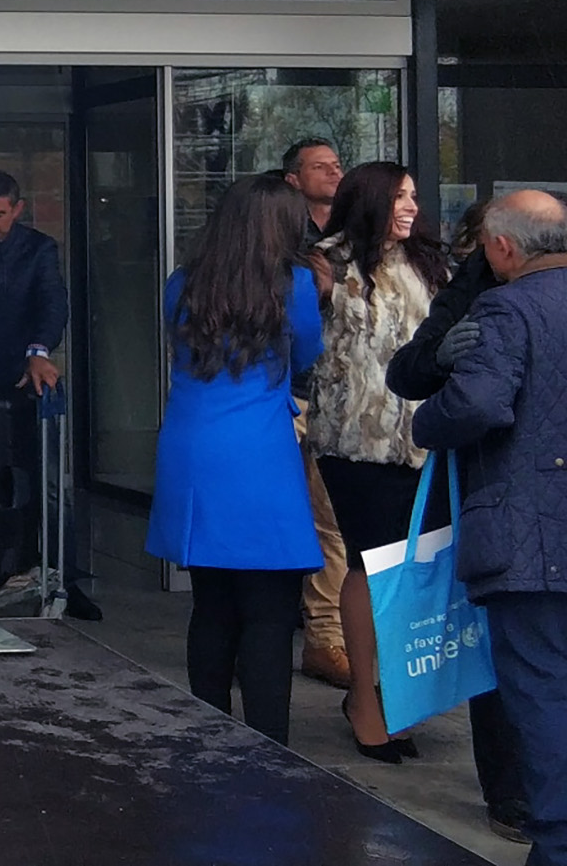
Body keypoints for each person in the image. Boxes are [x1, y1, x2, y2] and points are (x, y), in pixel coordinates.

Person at [412, 191, 567, 866]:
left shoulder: (506, 307)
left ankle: (563, 848)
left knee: (543, 698)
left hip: (533, 543)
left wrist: (427, 416)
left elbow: (476, 405)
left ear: (503, 248)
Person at [146, 175, 325, 745]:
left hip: (191, 449)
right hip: (259, 455)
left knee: (213, 605)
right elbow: (310, 352)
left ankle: (209, 733)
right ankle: (269, 744)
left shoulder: (183, 284)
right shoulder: (293, 286)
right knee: (270, 615)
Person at [387, 194, 531, 845]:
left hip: (564, 500)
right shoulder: (470, 286)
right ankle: (511, 795)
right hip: (487, 492)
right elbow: (408, 372)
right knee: (496, 653)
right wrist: (444, 356)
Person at [304, 162, 449, 762]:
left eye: (415, 196)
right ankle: (364, 695)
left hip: (424, 439)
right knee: (368, 564)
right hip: (352, 443)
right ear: (371, 200)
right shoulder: (324, 261)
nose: (412, 207)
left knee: (413, 568)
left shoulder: (429, 262)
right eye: (400, 197)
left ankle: (401, 692)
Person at [0, 170, 96, 619]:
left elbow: (53, 303)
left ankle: (63, 579)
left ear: (17, 209)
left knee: (51, 483)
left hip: (24, 377)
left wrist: (38, 350)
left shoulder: (38, 249)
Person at [283, 135, 352, 689]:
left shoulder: (356, 239)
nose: (333, 172)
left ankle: (326, 636)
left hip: (345, 395)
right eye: (319, 166)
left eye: (337, 165)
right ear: (293, 180)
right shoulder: (282, 242)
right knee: (287, 510)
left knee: (330, 516)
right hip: (295, 390)